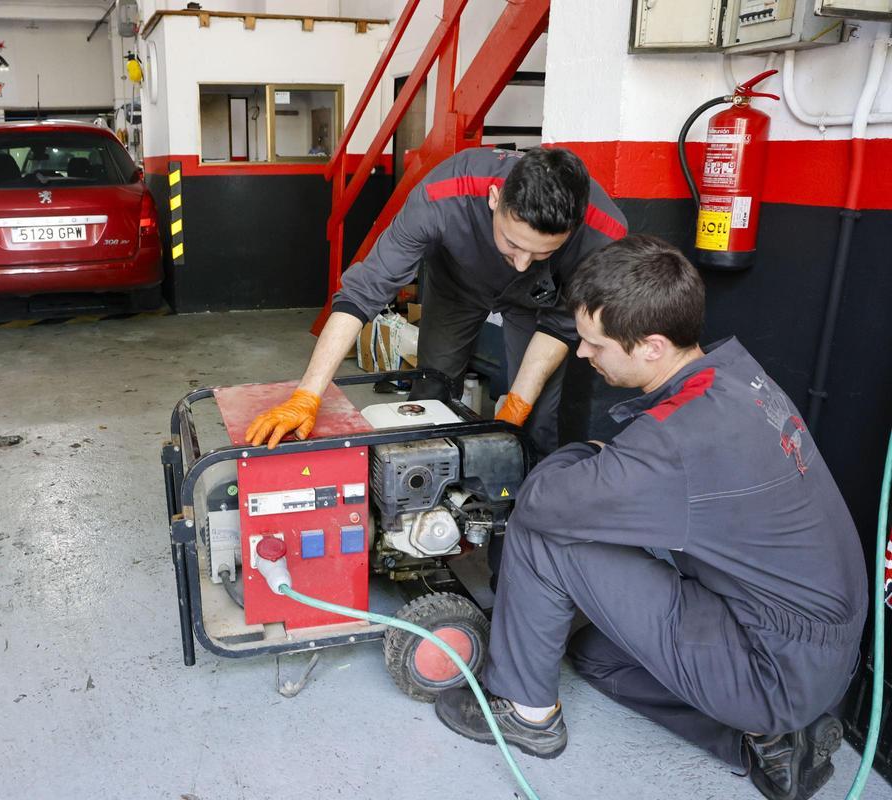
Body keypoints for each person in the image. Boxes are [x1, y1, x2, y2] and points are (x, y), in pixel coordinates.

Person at [432, 235, 867, 800]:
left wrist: (582, 455)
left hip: (773, 665)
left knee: (544, 531)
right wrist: (605, 462)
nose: (583, 354)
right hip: (819, 653)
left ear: (653, 346)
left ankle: (526, 714)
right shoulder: (735, 375)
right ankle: (770, 742)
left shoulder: (677, 443)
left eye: (595, 344)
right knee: (596, 657)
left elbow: (543, 504)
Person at [245, 146, 627, 454]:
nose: (523, 262)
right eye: (512, 244)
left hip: (537, 305)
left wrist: (515, 408)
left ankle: (520, 507)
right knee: (432, 390)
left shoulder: (604, 230)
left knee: (537, 416)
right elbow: (364, 291)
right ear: (494, 199)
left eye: (542, 252)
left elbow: (559, 325)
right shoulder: (442, 195)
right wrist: (307, 394)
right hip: (457, 285)